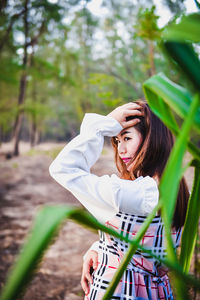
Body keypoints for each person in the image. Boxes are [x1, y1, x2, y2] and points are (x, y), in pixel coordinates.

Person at [49, 100, 189, 300]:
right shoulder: (177, 190)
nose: (120, 149)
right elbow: (140, 243)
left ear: (151, 138)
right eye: (116, 140)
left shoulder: (129, 193)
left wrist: (102, 125)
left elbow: (62, 169)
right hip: (157, 293)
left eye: (127, 138)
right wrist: (99, 248)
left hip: (120, 290)